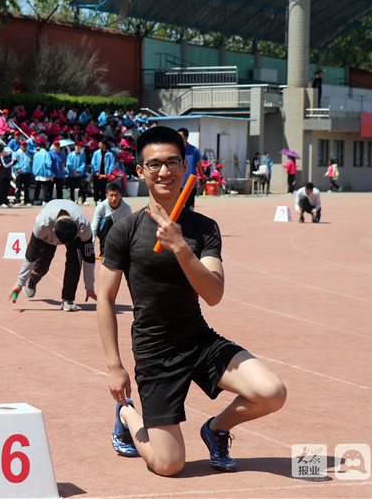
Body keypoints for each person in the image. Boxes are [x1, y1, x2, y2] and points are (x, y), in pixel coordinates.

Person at [97, 126, 285, 475]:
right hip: (155, 351)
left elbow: (213, 294)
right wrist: (115, 366)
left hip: (197, 339)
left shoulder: (203, 227)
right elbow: (105, 299)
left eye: (172, 162)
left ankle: (216, 429)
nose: (164, 172)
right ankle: (126, 414)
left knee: (272, 392)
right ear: (140, 171)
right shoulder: (124, 230)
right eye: (154, 164)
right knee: (169, 464)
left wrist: (181, 247)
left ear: (184, 167)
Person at [9, 199, 97, 312]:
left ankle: (68, 299)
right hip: (48, 235)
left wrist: (89, 287)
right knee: (42, 266)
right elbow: (31, 255)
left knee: (75, 262)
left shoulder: (84, 226)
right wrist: (20, 283)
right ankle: (33, 280)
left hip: (72, 234)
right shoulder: (42, 225)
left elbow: (89, 258)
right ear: (54, 230)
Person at [91, 182, 132, 256]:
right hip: (104, 230)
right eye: (111, 195)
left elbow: (130, 227)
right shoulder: (101, 206)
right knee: (107, 220)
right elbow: (94, 226)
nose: (114, 198)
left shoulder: (126, 207)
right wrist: (91, 246)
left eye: (116, 195)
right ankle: (104, 251)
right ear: (107, 196)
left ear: (120, 195)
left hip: (118, 232)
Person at [178, 128, 205, 208]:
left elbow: (199, 167)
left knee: (189, 208)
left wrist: (203, 181)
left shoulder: (194, 150)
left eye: (180, 136)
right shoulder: (175, 150)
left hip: (190, 184)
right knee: (178, 208)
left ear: (186, 137)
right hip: (178, 184)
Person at [91, 138, 116, 204]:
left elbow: (112, 164)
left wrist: (109, 172)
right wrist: (96, 171)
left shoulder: (109, 154)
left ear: (104, 145)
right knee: (96, 187)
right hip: (97, 174)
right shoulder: (96, 153)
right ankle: (96, 200)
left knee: (104, 188)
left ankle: (103, 201)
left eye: (100, 144)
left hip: (105, 174)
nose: (99, 145)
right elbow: (93, 163)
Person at [32, 139, 53, 204]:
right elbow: (48, 164)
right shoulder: (47, 154)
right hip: (45, 173)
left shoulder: (36, 154)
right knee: (45, 188)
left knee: (37, 187)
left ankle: (36, 200)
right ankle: (45, 201)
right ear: (45, 147)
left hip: (37, 173)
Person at [13, 140, 32, 206]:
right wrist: (18, 168)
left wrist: (30, 162)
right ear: (20, 146)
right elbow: (14, 162)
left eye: (25, 146)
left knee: (27, 187)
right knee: (18, 187)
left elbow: (31, 162)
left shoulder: (28, 154)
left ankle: (26, 201)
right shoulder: (17, 153)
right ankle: (17, 200)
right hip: (20, 173)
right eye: (23, 145)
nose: (24, 147)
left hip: (27, 172)